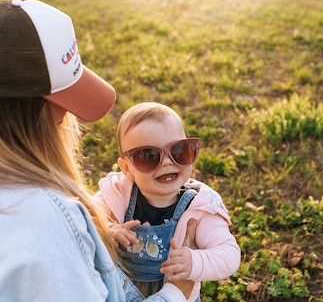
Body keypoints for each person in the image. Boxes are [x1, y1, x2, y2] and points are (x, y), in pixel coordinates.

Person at [0, 0, 195, 302]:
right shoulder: (51, 222)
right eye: (62, 103)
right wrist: (178, 293)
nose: (66, 117)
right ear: (31, 113)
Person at [94, 102, 241, 302]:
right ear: (127, 169)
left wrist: (194, 262)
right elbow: (87, 220)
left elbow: (229, 254)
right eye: (148, 156)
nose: (167, 162)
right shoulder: (117, 193)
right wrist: (108, 229)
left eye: (179, 150)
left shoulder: (199, 206)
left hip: (179, 295)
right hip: (121, 292)